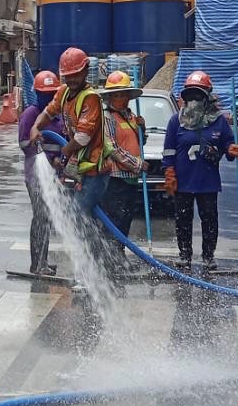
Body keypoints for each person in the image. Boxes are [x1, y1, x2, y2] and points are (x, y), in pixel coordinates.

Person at [161, 70, 236, 270]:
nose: (194, 100)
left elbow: (228, 144)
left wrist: (231, 149)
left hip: (207, 180)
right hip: (183, 181)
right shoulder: (176, 121)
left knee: (209, 219)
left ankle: (208, 256)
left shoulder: (218, 120)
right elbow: (168, 150)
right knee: (183, 219)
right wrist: (169, 172)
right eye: (191, 95)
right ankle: (185, 254)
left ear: (207, 96)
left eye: (199, 95)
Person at [27, 48, 108, 217]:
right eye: (67, 75)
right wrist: (36, 127)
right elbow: (48, 113)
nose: (71, 79)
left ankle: (95, 244)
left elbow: (83, 137)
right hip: (78, 166)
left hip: (95, 169)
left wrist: (66, 151)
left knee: (78, 214)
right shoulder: (63, 92)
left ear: (85, 70)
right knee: (79, 215)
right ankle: (90, 243)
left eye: (76, 74)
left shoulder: (90, 98)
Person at [98, 71, 149, 266]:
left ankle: (118, 254)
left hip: (131, 178)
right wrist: (137, 164)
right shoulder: (107, 118)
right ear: (110, 97)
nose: (122, 98)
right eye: (117, 95)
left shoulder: (131, 116)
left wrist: (142, 129)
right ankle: (111, 258)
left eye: (124, 94)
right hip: (115, 178)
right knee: (115, 219)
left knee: (126, 219)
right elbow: (111, 148)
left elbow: (141, 143)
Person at [17, 70, 65, 275]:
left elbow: (64, 142)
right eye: (43, 92)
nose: (47, 96)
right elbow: (23, 143)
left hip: (54, 173)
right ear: (36, 92)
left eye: (51, 92)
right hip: (36, 174)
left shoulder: (57, 115)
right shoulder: (31, 114)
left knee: (47, 217)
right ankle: (37, 263)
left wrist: (60, 160)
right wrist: (39, 146)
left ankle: (41, 261)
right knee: (41, 216)